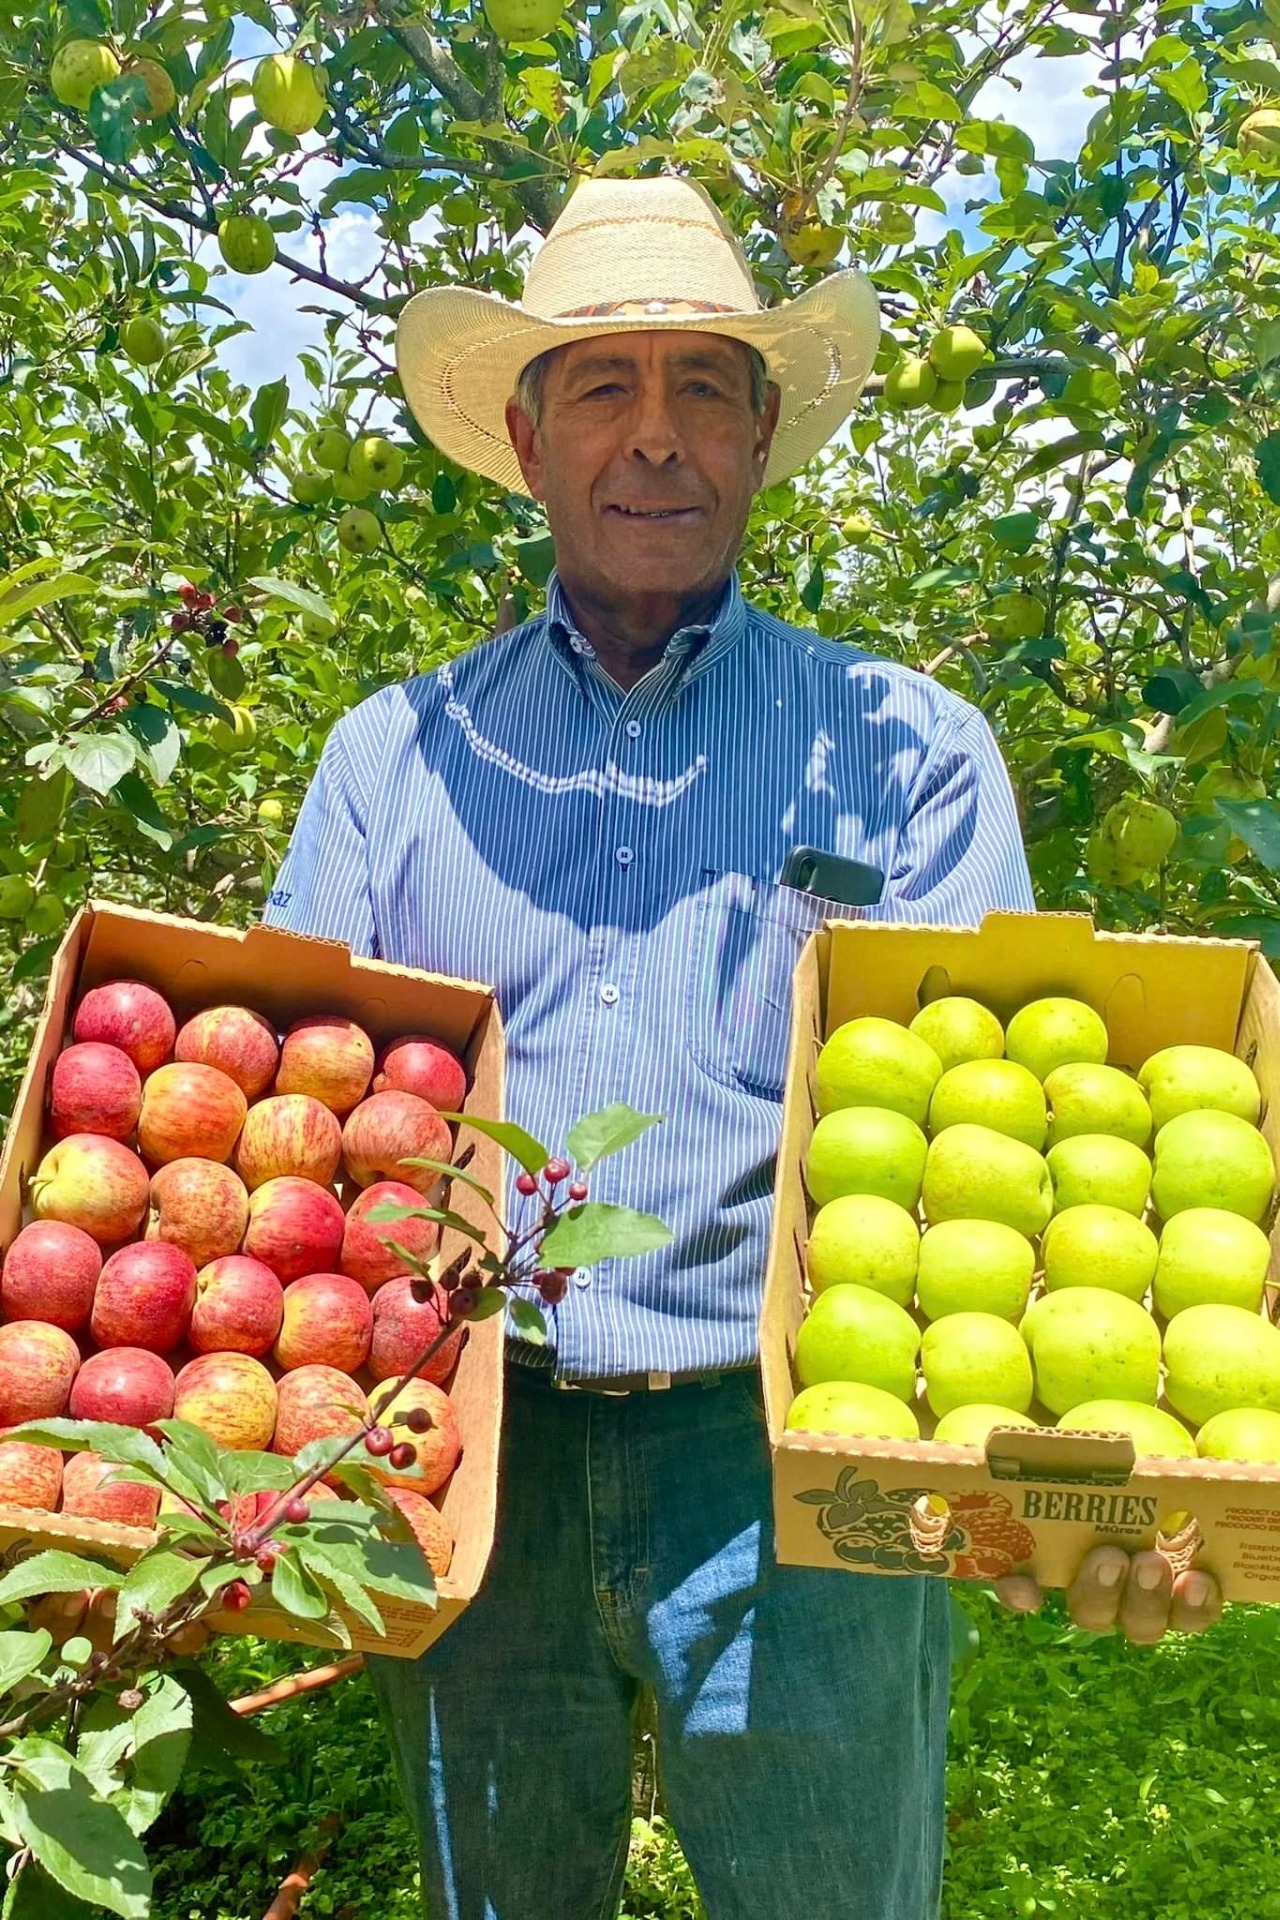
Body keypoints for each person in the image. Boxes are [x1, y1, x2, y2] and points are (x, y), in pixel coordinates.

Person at [257, 175, 1221, 1919]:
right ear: (530, 440)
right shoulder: (387, 763)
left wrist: (1084, 1478)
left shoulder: (909, 754)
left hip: (796, 1463)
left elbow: (1013, 1161)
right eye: (603, 388)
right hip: (476, 1458)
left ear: (767, 434)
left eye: (703, 385)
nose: (656, 438)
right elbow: (286, 1136)